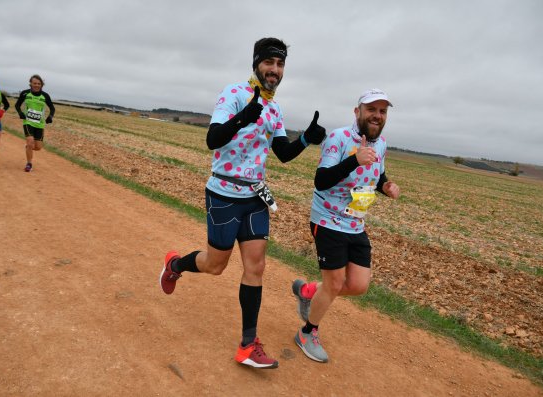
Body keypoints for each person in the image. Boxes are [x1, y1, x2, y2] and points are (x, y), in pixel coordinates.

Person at [159, 37, 326, 369]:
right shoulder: (234, 94)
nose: (275, 70)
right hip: (223, 195)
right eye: (269, 63)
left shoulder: (275, 109)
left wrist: (307, 138)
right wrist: (243, 117)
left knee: (256, 267)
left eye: (280, 65)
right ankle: (175, 265)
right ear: (256, 63)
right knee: (215, 265)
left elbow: (282, 153)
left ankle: (248, 345)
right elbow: (212, 140)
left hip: (254, 197)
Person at [292, 89, 400, 363]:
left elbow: (377, 175)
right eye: (371, 109)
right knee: (335, 282)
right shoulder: (338, 139)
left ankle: (307, 291)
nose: (377, 115)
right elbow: (322, 180)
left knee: (358, 285)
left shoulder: (382, 144)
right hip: (327, 219)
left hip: (355, 223)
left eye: (382, 111)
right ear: (357, 112)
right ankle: (307, 333)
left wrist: (386, 186)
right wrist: (354, 159)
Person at [15, 74, 56, 172]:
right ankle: (29, 164)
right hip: (28, 122)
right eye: (34, 83)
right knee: (30, 142)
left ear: (41, 84)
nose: (36, 85)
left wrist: (50, 116)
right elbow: (17, 105)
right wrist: (20, 113)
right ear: (30, 83)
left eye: (39, 83)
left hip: (40, 124)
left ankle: (28, 148)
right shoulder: (25, 93)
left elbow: (52, 108)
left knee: (38, 147)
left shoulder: (45, 95)